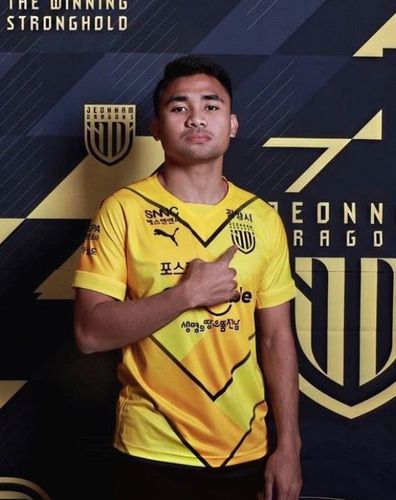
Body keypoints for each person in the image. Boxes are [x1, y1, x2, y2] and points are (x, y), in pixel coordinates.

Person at [72, 56, 302, 500]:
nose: (196, 117)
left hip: (244, 447)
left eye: (211, 106)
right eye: (179, 107)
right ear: (157, 128)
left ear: (232, 124)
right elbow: (89, 334)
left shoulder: (263, 219)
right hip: (151, 447)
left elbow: (277, 339)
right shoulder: (124, 209)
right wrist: (185, 295)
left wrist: (289, 445)